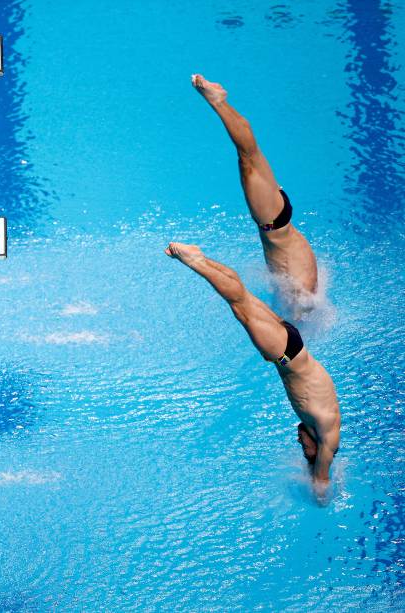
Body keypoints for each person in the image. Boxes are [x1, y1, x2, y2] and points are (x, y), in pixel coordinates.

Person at [164, 242, 340, 501]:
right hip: (286, 354)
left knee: (242, 299)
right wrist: (321, 498)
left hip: (291, 347)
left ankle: (201, 257)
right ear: (318, 449)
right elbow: (322, 479)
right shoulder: (327, 435)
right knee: (238, 303)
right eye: (305, 449)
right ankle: (194, 261)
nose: (300, 443)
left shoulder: (322, 425)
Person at [191, 74, 318, 313]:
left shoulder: (307, 287)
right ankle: (217, 102)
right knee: (247, 157)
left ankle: (220, 102)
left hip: (281, 216)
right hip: (271, 221)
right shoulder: (299, 298)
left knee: (250, 154)